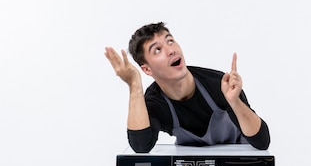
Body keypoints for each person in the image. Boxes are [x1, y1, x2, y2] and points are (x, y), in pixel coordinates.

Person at [105, 22, 270, 153]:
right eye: (157, 50)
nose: (170, 50)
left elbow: (262, 142)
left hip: (240, 165)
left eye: (170, 41)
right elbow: (141, 147)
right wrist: (134, 83)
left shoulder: (219, 84)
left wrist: (235, 103)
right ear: (147, 69)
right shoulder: (155, 102)